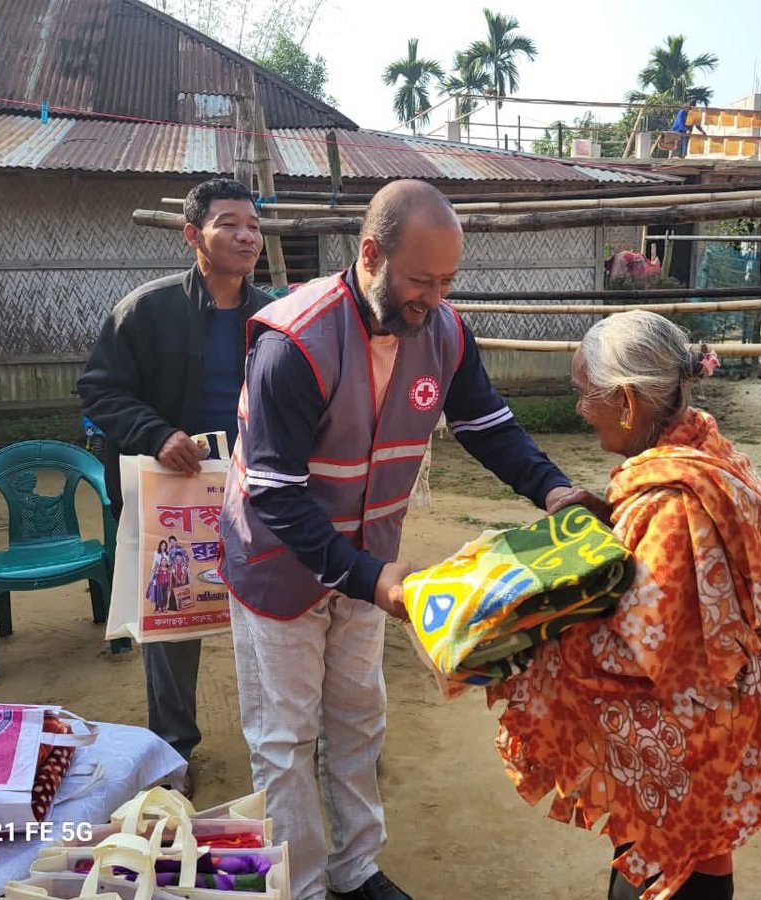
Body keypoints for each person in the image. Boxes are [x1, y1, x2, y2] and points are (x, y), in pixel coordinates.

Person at [221, 179, 604, 900]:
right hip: (280, 564)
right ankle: (299, 886)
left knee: (359, 718)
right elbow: (275, 493)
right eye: (420, 280)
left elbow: (486, 423)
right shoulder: (293, 342)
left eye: (447, 281)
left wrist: (552, 489)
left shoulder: (445, 332)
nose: (433, 298)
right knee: (286, 739)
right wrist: (372, 579)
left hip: (371, 557)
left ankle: (355, 868)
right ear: (371, 255)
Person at [487, 310, 761, 900]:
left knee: (675, 865)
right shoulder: (705, 453)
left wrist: (529, 627)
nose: (577, 408)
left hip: (698, 732)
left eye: (581, 393)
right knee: (702, 853)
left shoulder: (673, 505)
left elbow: (639, 660)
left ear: (625, 402)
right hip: (727, 715)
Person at [77, 177, 270, 796]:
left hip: (255, 492)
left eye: (254, 225)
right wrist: (157, 433)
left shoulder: (272, 319)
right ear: (193, 235)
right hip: (173, 493)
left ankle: (282, 745)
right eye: (228, 223)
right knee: (173, 621)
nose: (246, 235)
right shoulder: (146, 311)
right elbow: (100, 390)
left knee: (266, 619)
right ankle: (172, 752)